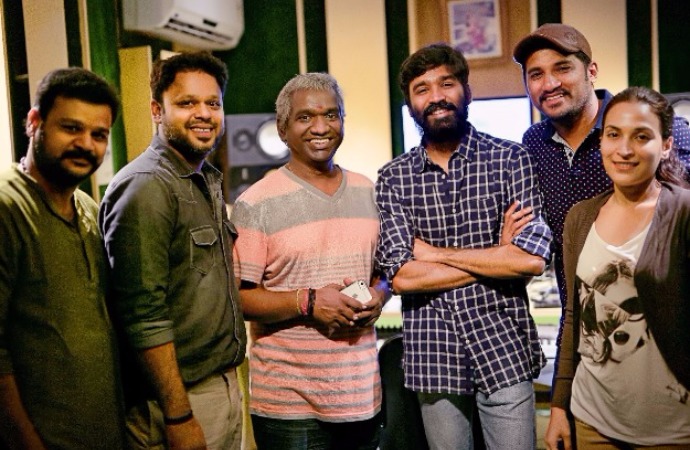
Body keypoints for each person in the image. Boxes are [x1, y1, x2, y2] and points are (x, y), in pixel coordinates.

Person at [375, 43, 553, 450]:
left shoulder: (510, 159)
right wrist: (497, 254)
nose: (436, 96)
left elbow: (529, 259)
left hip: (504, 345)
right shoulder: (393, 178)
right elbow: (402, 277)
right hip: (432, 351)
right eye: (422, 89)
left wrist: (433, 254)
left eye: (447, 84)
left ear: (466, 91)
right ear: (410, 104)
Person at [99, 52, 247, 449]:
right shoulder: (147, 187)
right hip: (179, 400)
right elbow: (143, 314)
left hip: (220, 387)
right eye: (187, 103)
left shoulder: (203, 178)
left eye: (213, 103)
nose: (204, 114)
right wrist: (178, 414)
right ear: (156, 110)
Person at [230, 72, 385, 449]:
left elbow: (384, 274)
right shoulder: (256, 203)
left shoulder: (369, 191)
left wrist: (379, 295)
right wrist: (310, 302)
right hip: (289, 407)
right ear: (283, 129)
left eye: (331, 115)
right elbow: (239, 299)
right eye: (305, 117)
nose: (320, 127)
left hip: (362, 397)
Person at [544, 86, 690, 449]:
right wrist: (559, 405)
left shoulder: (683, 212)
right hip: (592, 420)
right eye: (613, 134)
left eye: (641, 137)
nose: (624, 149)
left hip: (671, 428)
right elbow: (574, 317)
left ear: (666, 145)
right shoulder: (580, 217)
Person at [513, 23, 690, 310]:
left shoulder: (658, 128)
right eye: (536, 74)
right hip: (582, 319)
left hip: (661, 318)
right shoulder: (533, 143)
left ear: (591, 71)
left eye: (562, 68)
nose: (549, 84)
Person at [0, 68, 124, 449]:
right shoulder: (7, 208)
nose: (85, 144)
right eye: (71, 128)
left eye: (98, 135)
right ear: (33, 122)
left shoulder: (87, 208)